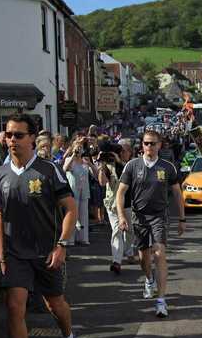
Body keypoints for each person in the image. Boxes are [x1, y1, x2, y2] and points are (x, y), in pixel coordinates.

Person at [0, 114, 79, 338]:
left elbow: (69, 209)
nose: (11, 140)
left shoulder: (49, 170)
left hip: (46, 252)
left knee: (55, 304)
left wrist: (62, 245)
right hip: (16, 254)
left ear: (32, 138)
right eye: (8, 135)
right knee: (15, 307)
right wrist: (2, 254)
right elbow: (0, 215)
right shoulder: (0, 174)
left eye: (18, 135)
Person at [116, 130, 185, 318]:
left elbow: (178, 194)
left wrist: (181, 218)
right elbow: (120, 193)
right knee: (143, 259)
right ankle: (148, 279)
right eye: (146, 143)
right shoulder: (132, 166)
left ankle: (161, 301)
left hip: (159, 216)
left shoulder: (167, 167)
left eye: (153, 144)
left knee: (159, 254)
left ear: (159, 145)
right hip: (139, 217)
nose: (149, 147)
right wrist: (122, 216)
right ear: (142, 145)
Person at [98, 139, 134, 274]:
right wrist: (102, 165)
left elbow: (131, 177)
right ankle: (117, 261)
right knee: (117, 231)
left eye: (124, 151)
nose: (122, 153)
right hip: (113, 204)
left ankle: (128, 250)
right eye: (121, 151)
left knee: (130, 232)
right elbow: (102, 182)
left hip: (129, 204)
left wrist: (119, 161)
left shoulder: (131, 164)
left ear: (129, 153)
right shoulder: (108, 165)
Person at [63, 135, 95, 246]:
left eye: (81, 148)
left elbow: (94, 174)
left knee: (83, 215)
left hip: (84, 190)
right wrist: (73, 155)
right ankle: (70, 239)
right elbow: (65, 169)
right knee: (73, 215)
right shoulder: (69, 159)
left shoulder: (85, 160)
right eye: (77, 148)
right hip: (73, 191)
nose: (79, 150)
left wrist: (90, 163)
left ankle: (83, 238)